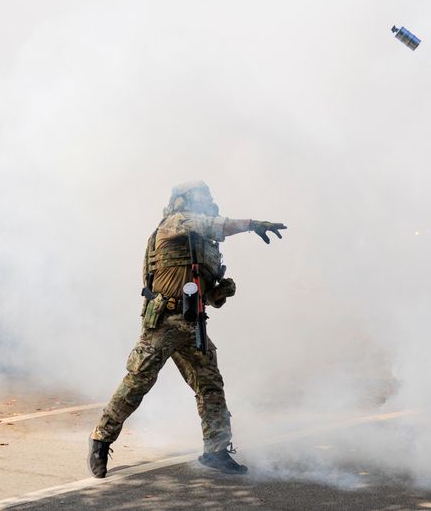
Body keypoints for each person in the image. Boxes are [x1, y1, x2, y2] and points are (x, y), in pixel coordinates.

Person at [87, 181, 286, 478]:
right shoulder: (177, 222)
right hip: (164, 322)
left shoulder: (205, 246)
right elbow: (215, 225)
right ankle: (100, 439)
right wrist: (252, 224)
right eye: (201, 197)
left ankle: (216, 451)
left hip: (192, 326)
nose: (207, 202)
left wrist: (221, 292)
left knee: (210, 385)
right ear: (185, 201)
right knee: (138, 381)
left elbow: (208, 297)